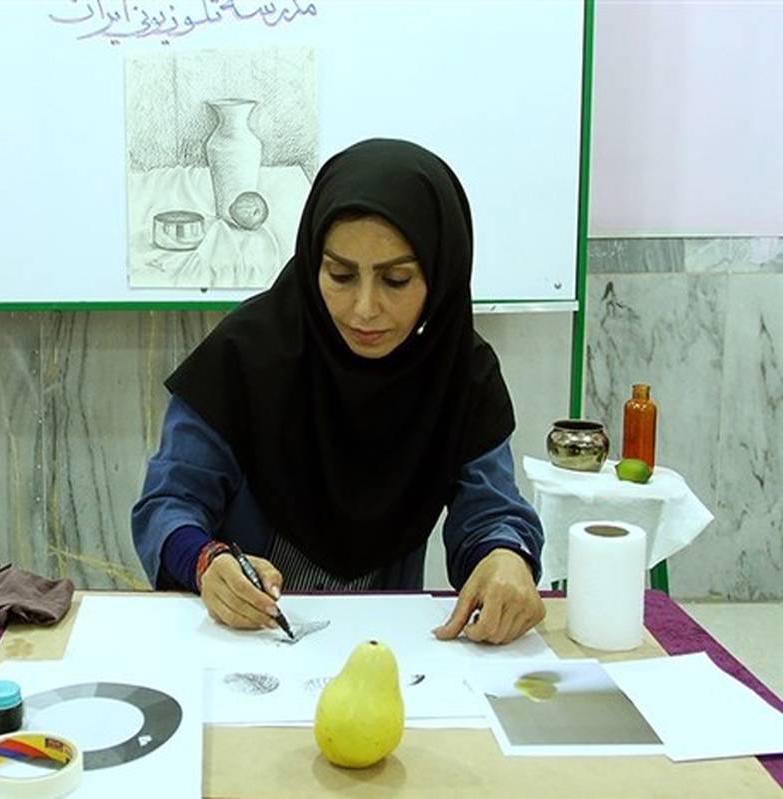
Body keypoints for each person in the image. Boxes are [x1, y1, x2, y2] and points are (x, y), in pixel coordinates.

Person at [131, 139, 545, 646]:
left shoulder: (459, 372)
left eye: (396, 280)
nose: (364, 308)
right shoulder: (244, 355)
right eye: (341, 275)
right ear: (312, 263)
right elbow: (168, 503)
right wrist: (204, 560)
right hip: (244, 640)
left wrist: (506, 556)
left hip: (381, 645)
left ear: (440, 273)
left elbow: (491, 511)